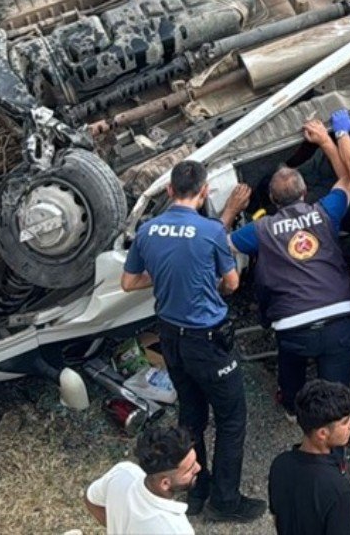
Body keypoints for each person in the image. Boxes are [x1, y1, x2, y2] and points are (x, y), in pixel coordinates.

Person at [120, 160, 264, 522]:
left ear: (169, 191)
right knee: (231, 418)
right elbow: (231, 283)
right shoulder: (211, 231)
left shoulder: (149, 231)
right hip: (208, 341)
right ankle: (225, 502)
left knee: (192, 413)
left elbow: (128, 282)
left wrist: (168, 278)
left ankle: (196, 491)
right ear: (203, 193)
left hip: (170, 338)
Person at [224, 117, 350, 412]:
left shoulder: (259, 230)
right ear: (304, 193)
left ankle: (291, 407)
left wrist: (230, 211)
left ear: (273, 200)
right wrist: (326, 141)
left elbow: (219, 243)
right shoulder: (325, 212)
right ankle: (334, 431)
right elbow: (348, 180)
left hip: (293, 325)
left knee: (291, 369)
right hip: (340, 318)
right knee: (336, 392)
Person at [268, 380, 350, 535]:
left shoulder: (280, 464)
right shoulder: (338, 491)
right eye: (345, 422)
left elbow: (278, 517)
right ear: (322, 433)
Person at [84, 422, 201, 535]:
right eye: (189, 469)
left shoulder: (123, 472)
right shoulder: (175, 529)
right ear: (165, 483)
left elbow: (90, 498)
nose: (198, 467)